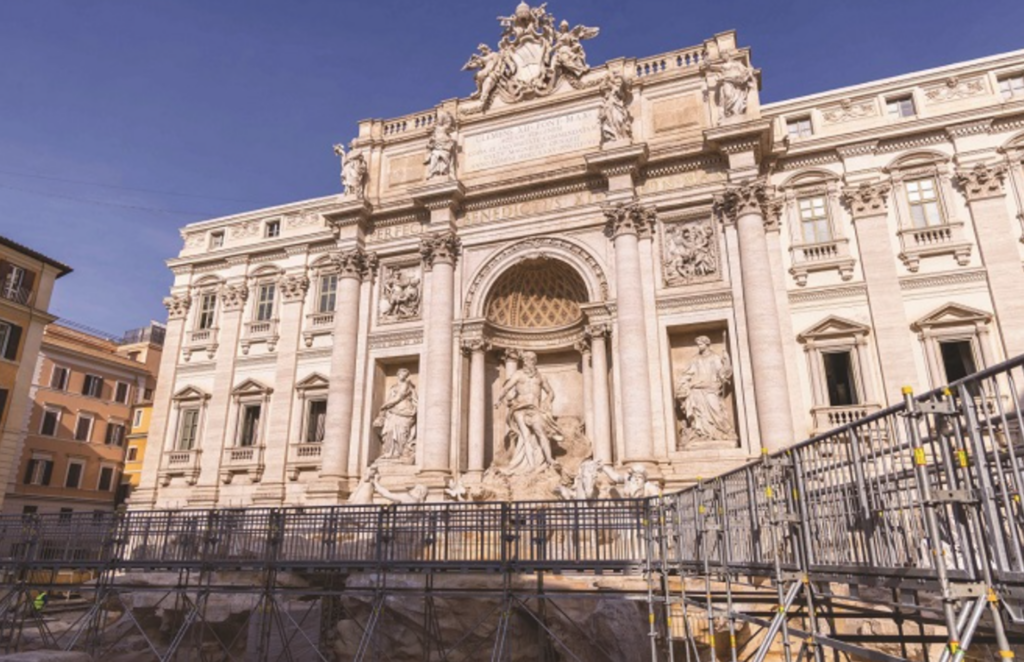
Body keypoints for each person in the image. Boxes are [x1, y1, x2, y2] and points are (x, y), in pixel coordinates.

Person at [493, 350, 563, 474]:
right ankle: (531, 466)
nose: (528, 362)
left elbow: (551, 392)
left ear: (535, 361)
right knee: (525, 436)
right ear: (523, 361)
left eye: (531, 359)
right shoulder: (518, 375)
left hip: (535, 409)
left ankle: (550, 459)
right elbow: (506, 387)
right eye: (526, 359)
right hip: (519, 408)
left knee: (541, 433)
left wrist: (547, 400)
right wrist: (499, 400)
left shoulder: (541, 377)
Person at [675, 336, 735, 442]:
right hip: (696, 389)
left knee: (715, 410)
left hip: (711, 388)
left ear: (707, 344)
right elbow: (687, 373)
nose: (699, 346)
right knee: (698, 413)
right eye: (698, 344)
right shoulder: (695, 359)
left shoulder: (715, 358)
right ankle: (700, 433)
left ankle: (724, 432)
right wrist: (682, 384)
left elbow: (722, 373)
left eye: (701, 344)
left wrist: (726, 363)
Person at [373, 369, 417, 461]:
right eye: (402, 374)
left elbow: (399, 397)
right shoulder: (394, 387)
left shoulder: (405, 385)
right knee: (389, 430)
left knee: (401, 431)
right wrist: (385, 411)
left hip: (404, 409)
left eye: (405, 375)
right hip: (393, 411)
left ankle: (398, 453)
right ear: (398, 374)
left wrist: (384, 405)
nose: (403, 376)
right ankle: (389, 452)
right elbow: (390, 398)